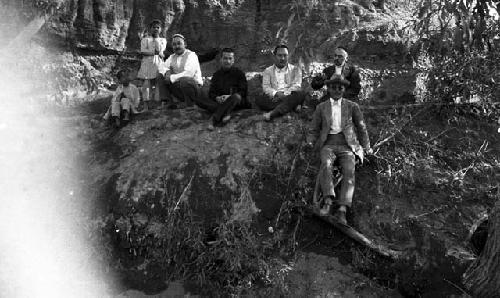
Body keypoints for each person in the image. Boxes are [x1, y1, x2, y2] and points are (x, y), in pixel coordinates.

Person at [307, 74, 372, 225]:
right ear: (328, 89)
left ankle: (342, 209)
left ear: (344, 89)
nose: (337, 90)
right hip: (328, 144)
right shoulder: (321, 107)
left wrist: (366, 147)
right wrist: (310, 142)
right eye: (333, 87)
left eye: (340, 88)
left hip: (347, 145)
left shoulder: (352, 106)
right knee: (326, 164)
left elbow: (362, 128)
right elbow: (313, 129)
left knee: (349, 169)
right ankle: (328, 202)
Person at [195, 48, 249, 129]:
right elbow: (211, 93)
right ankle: (226, 113)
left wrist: (229, 97)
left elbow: (243, 91)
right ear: (221, 60)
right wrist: (217, 98)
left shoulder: (239, 74)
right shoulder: (216, 75)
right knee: (199, 99)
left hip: (235, 102)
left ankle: (214, 119)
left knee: (237, 97)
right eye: (225, 58)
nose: (227, 61)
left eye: (230, 58)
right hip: (220, 102)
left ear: (233, 60)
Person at [256, 44, 306, 121]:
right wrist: (276, 93)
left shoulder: (296, 70)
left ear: (288, 56)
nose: (282, 58)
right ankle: (292, 106)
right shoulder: (267, 71)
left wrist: (284, 94)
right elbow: (266, 87)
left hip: (289, 95)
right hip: (274, 99)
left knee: (300, 93)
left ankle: (272, 114)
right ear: (274, 56)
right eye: (279, 55)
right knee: (259, 98)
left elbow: (297, 85)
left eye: (285, 55)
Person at [158, 34, 203, 108]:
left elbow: (189, 74)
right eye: (174, 44)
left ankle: (191, 104)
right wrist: (167, 72)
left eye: (179, 43)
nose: (177, 46)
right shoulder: (172, 57)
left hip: (194, 90)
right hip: (179, 89)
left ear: (185, 44)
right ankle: (168, 102)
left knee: (185, 80)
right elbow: (161, 67)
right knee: (160, 75)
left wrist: (171, 77)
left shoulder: (191, 55)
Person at [137, 19, 167, 110]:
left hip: (158, 63)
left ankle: (158, 103)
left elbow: (160, 50)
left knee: (159, 82)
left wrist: (156, 42)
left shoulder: (163, 40)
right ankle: (146, 105)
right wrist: (155, 53)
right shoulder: (145, 40)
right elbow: (143, 52)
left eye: (158, 27)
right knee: (146, 84)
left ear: (161, 29)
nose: (156, 29)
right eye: (154, 27)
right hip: (147, 63)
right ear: (150, 28)